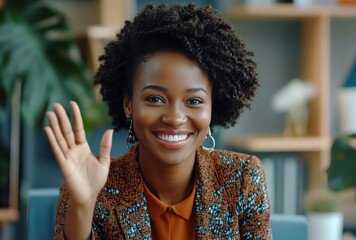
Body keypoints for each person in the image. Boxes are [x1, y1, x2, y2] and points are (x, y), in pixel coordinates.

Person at [45, 3, 272, 240]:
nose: (174, 118)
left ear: (212, 108)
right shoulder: (92, 186)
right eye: (155, 98)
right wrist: (83, 206)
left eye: (194, 101)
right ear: (129, 105)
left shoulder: (242, 178)